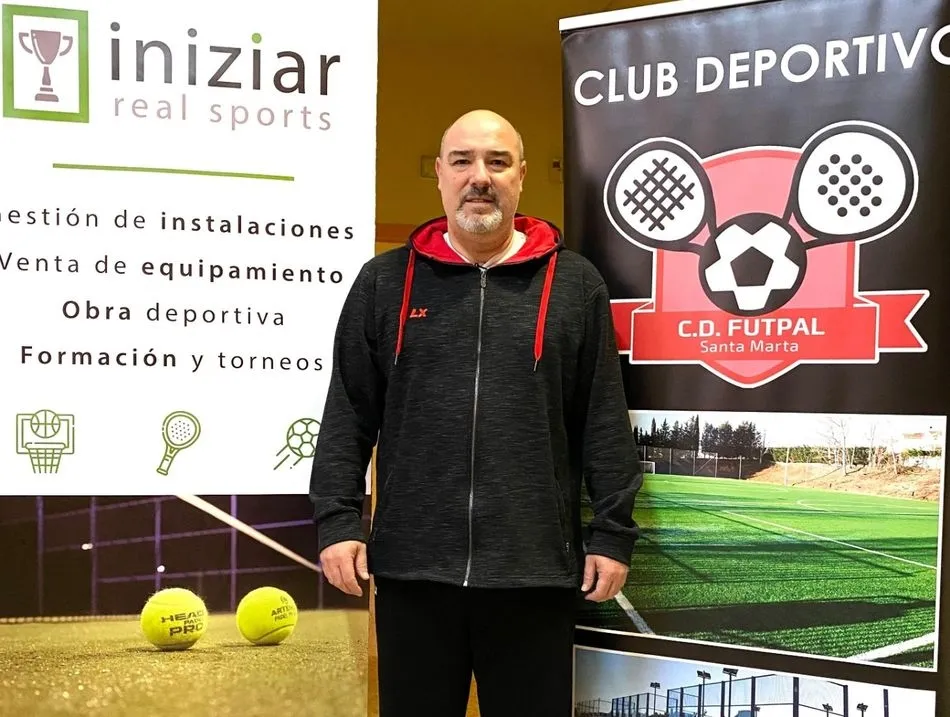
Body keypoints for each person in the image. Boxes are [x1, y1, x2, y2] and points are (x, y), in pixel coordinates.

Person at [309, 109, 642, 717]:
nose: (479, 177)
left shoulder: (575, 285)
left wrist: (613, 533)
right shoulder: (384, 283)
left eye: (497, 162)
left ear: (522, 176)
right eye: (462, 161)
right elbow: (347, 413)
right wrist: (338, 522)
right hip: (413, 570)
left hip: (534, 574)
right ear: (439, 174)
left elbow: (602, 419)